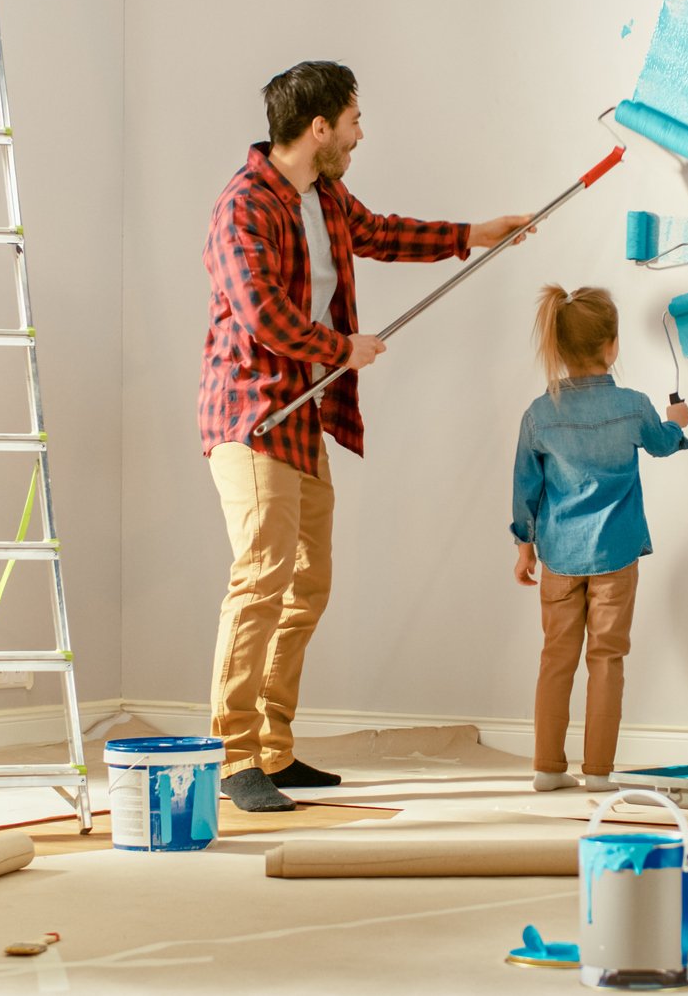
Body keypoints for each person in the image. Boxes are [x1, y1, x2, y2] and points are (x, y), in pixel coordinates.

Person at [199, 60, 534, 812]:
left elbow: (378, 233)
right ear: (317, 128)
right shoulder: (242, 206)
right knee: (260, 578)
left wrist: (473, 235)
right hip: (251, 416)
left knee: (307, 582)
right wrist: (338, 347)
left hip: (304, 416)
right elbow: (256, 309)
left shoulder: (323, 195)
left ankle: (274, 749)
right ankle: (232, 755)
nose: (359, 133)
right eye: (352, 120)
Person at [510, 285, 688, 791]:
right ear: (612, 346)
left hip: (559, 557)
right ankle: (598, 774)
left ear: (559, 348)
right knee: (606, 659)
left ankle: (547, 769)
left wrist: (524, 546)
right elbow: (661, 444)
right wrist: (677, 423)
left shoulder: (539, 412)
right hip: (615, 553)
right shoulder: (634, 406)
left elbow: (525, 485)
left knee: (555, 660)